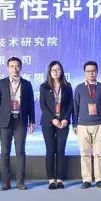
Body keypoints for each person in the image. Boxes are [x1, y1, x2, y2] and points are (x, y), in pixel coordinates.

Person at [0, 56, 35, 190]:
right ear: (7, 68)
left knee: (20, 152)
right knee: (5, 152)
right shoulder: (1, 83)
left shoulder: (27, 84)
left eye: (17, 66)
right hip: (5, 121)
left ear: (20, 67)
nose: (14, 69)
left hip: (20, 121)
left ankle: (20, 182)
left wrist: (32, 121)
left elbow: (31, 104)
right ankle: (5, 182)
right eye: (11, 66)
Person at [72, 61, 101, 188]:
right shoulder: (79, 88)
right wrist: (74, 124)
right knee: (84, 154)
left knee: (99, 153)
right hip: (82, 125)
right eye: (88, 71)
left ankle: (99, 179)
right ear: (84, 73)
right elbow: (75, 107)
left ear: (97, 72)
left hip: (99, 124)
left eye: (93, 71)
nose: (91, 73)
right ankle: (87, 180)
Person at [39, 60, 72, 189]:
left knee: (60, 150)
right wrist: (52, 119)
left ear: (62, 71)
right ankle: (51, 180)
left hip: (63, 122)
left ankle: (60, 179)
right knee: (50, 150)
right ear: (49, 72)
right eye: (53, 70)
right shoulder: (44, 87)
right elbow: (43, 105)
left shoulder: (67, 86)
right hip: (48, 122)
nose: (55, 72)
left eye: (58, 69)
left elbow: (70, 105)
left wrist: (66, 119)